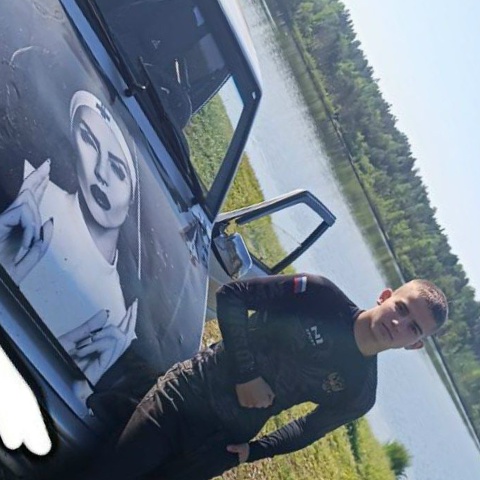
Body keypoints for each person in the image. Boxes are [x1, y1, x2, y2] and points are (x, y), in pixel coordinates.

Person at [85, 273, 448, 479]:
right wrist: (247, 374)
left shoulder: (360, 391)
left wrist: (252, 452)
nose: (398, 323)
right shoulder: (319, 295)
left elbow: (308, 429)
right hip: (185, 398)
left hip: (217, 447)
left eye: (413, 328)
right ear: (385, 296)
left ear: (414, 345)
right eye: (401, 308)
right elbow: (232, 296)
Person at [0, 90, 141, 391]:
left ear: (133, 197)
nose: (100, 171)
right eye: (88, 139)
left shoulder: (118, 320)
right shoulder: (23, 199)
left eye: (118, 169)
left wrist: (82, 390)